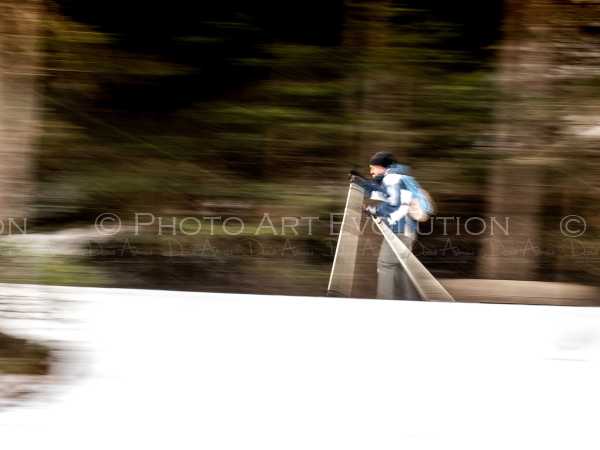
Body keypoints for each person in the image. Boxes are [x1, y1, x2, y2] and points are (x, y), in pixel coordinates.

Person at [352, 151, 420, 300]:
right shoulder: (397, 177)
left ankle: (384, 302)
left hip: (400, 230)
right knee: (400, 269)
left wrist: (373, 210)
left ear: (382, 167)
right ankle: (410, 302)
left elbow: (394, 205)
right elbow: (382, 193)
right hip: (407, 230)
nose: (371, 172)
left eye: (373, 168)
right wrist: (362, 183)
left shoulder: (392, 179)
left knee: (385, 265)